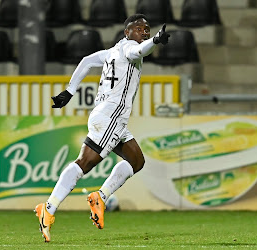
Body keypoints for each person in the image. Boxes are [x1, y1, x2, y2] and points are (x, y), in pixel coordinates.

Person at [34, 13, 170, 242]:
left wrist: (69, 91)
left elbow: (87, 61)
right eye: (139, 28)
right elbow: (139, 51)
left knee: (136, 161)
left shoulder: (110, 53)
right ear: (127, 32)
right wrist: (155, 40)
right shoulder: (129, 48)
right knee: (83, 164)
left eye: (147, 29)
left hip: (111, 117)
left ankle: (100, 197)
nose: (144, 32)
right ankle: (48, 208)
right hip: (111, 117)